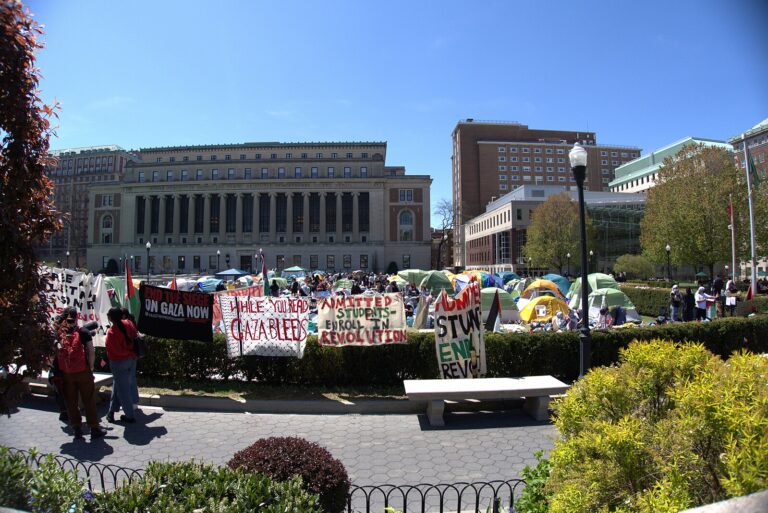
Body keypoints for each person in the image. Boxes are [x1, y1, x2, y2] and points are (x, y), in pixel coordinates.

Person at [55, 307, 106, 440]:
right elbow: (91, 351)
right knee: (88, 399)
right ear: (76, 317)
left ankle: (77, 428)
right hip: (83, 370)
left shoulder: (60, 333)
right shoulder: (83, 331)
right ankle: (94, 428)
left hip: (66, 372)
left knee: (71, 401)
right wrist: (90, 366)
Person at [105, 307, 138, 424]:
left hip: (119, 363)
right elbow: (135, 337)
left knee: (123, 390)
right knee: (118, 386)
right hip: (131, 360)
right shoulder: (128, 323)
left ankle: (130, 416)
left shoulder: (111, 332)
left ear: (110, 318)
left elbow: (112, 351)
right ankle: (111, 411)